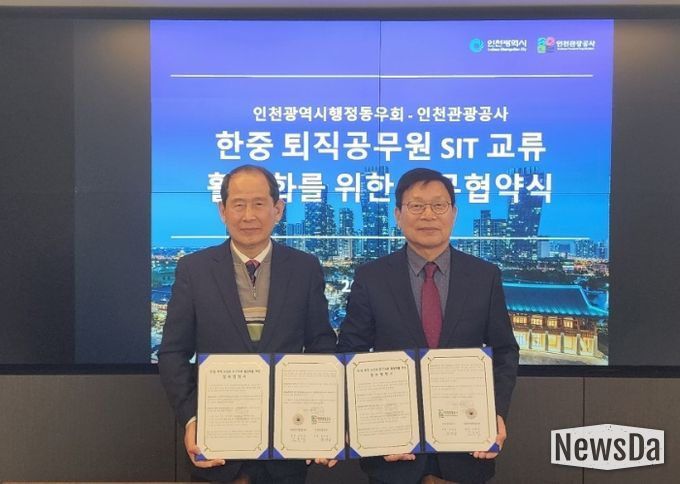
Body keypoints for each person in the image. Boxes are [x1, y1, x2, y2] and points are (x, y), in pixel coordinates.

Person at [337, 168, 519, 484]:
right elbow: (350, 354)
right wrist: (368, 425)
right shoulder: (372, 277)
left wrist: (496, 412)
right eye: (416, 206)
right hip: (393, 450)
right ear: (398, 215)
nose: (428, 215)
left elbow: (504, 351)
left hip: (467, 445)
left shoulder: (484, 276)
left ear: (454, 213)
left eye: (438, 205)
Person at [158, 164, 337, 483]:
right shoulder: (194, 269)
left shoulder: (305, 268)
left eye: (258, 203)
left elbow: (321, 346)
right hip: (216, 443)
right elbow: (173, 352)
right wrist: (192, 419)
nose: (248, 215)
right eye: (238, 204)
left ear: (278, 209)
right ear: (222, 210)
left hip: (288, 444)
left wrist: (321, 419)